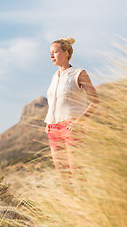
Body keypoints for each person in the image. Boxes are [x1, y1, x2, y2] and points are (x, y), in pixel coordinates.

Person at [44, 37, 99, 189]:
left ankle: (86, 207)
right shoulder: (54, 77)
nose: (51, 56)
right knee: (64, 177)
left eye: (55, 52)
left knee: (77, 173)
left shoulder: (79, 73)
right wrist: (48, 123)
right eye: (50, 53)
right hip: (53, 130)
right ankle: (69, 210)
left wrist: (79, 121)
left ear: (66, 53)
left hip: (72, 129)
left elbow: (95, 102)